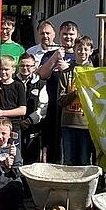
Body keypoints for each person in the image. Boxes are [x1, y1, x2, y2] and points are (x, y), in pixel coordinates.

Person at [38, 20, 78, 164]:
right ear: (59, 35)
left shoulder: (80, 55)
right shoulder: (50, 55)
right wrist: (54, 58)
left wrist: (67, 69)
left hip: (74, 110)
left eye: (71, 34)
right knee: (53, 146)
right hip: (54, 108)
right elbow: (42, 74)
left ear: (77, 35)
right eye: (65, 34)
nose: (68, 37)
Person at [60, 36, 95, 165]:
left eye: (86, 49)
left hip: (87, 125)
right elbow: (60, 100)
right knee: (69, 161)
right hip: (68, 124)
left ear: (91, 51)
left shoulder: (95, 73)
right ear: (74, 50)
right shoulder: (66, 73)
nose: (82, 52)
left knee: (84, 161)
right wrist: (75, 93)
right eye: (79, 49)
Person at [17, 53, 48, 165]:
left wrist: (29, 120)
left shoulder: (41, 84)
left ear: (34, 67)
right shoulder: (13, 82)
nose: (25, 68)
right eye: (22, 65)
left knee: (31, 162)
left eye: (28, 66)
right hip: (15, 126)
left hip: (33, 127)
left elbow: (43, 106)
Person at [0, 55, 27, 143]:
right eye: (1, 69)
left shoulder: (18, 86)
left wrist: (2, 113)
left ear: (13, 70)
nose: (3, 72)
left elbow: (22, 110)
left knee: (13, 150)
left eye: (6, 69)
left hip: (13, 126)